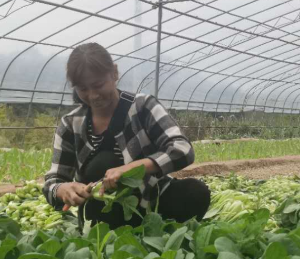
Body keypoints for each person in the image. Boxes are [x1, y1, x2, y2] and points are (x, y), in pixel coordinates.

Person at [43, 43, 211, 228]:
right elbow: (53, 181)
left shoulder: (142, 107)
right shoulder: (70, 124)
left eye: (98, 85)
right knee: (102, 163)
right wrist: (62, 189)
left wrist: (132, 169)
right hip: (103, 210)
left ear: (114, 73)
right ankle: (111, 232)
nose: (93, 95)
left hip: (151, 199)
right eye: (83, 89)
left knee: (195, 192)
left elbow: (182, 148)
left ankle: (153, 226)